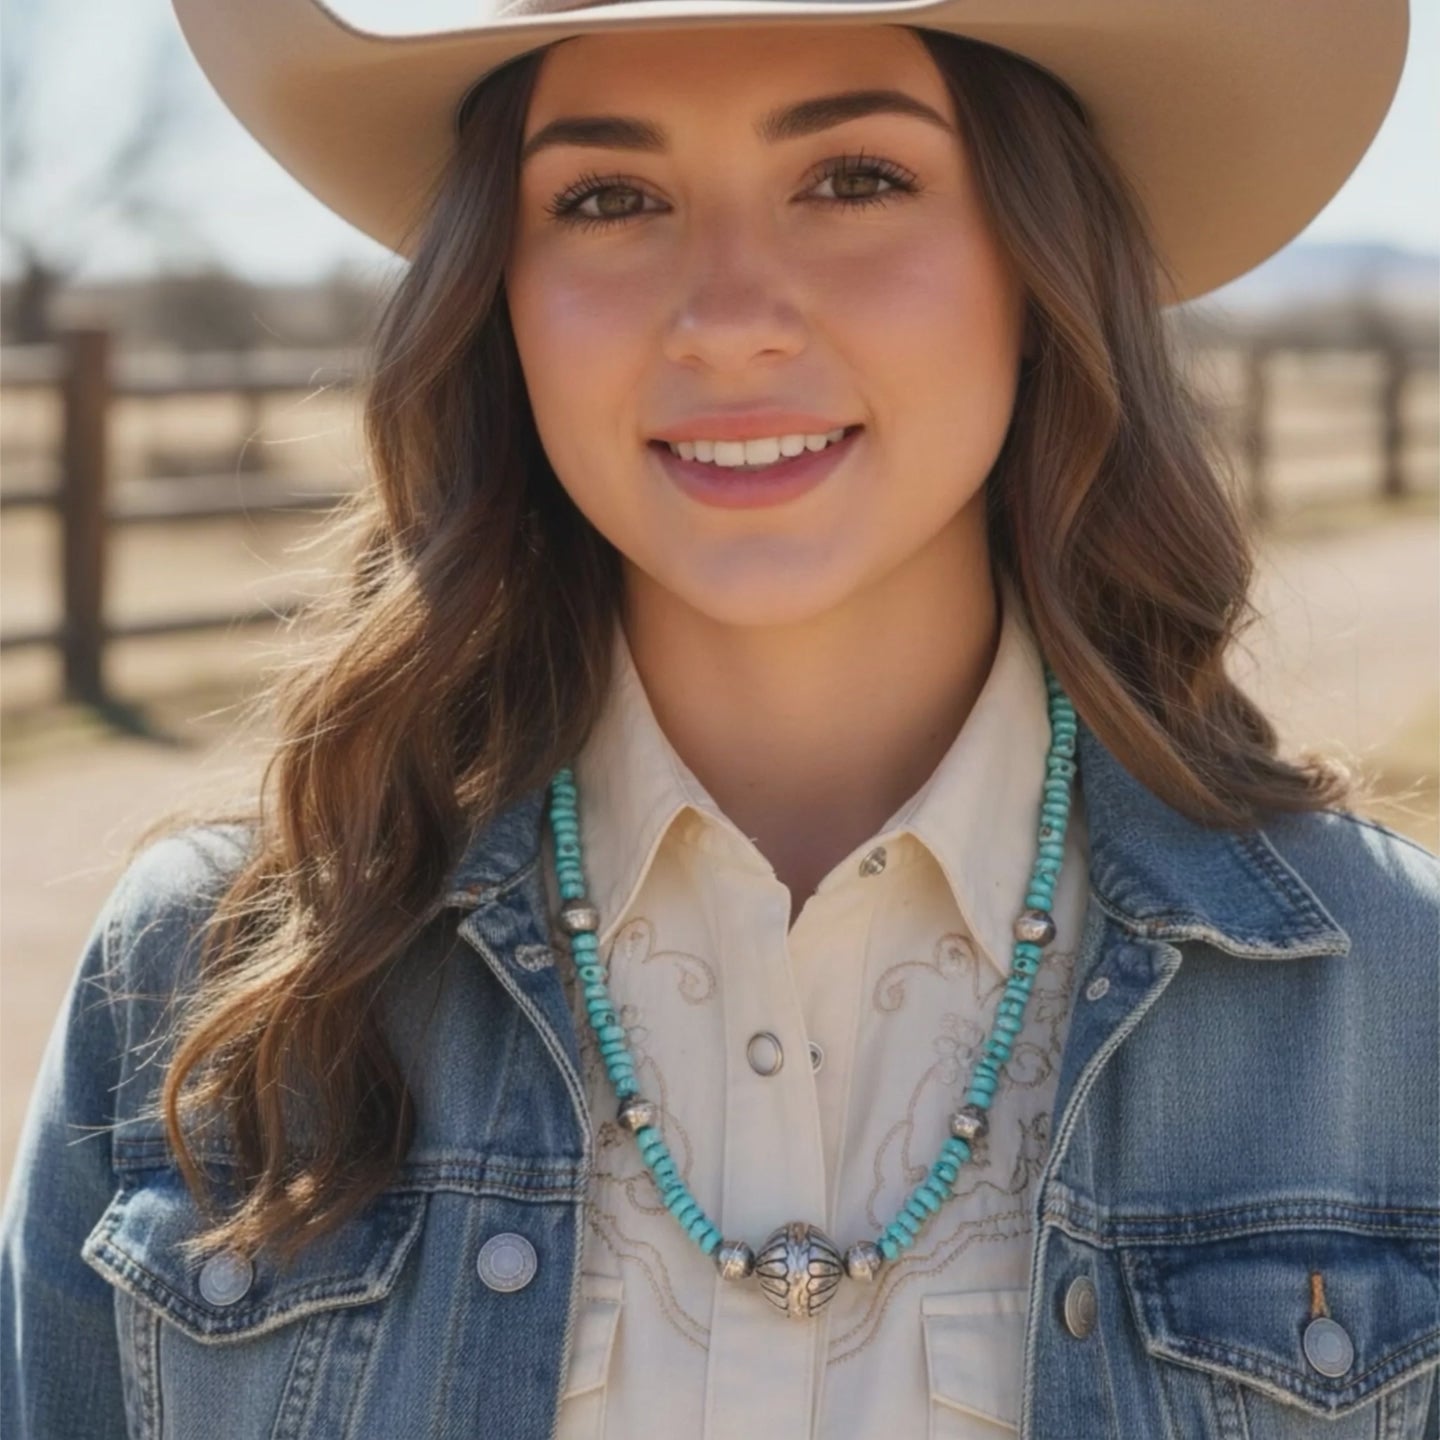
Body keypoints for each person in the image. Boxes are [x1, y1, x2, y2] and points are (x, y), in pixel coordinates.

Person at [3, 0, 1436, 1436]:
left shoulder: (1395, 1002)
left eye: (856, 180)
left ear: (1039, 252)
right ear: (498, 289)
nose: (731, 318)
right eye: (609, 198)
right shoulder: (202, 989)